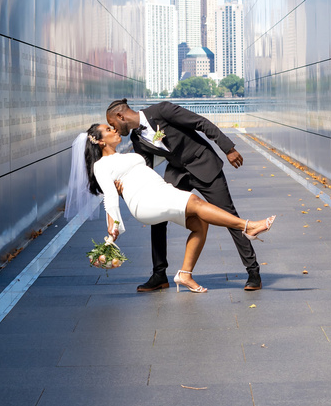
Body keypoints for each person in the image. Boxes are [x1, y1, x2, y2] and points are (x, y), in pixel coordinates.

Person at [69, 124, 275, 294]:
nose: (114, 130)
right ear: (100, 140)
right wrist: (113, 228)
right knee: (195, 201)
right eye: (108, 129)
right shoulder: (101, 165)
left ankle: (185, 274)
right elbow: (111, 196)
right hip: (144, 200)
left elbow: (155, 160)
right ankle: (247, 226)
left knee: (200, 223)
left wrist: (158, 139)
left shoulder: (126, 154)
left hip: (159, 191)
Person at [105, 98, 263, 293]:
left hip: (203, 163)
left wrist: (228, 149)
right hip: (178, 172)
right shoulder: (137, 139)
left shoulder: (161, 110)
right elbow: (142, 169)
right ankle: (159, 275)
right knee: (158, 217)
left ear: (121, 116)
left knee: (228, 215)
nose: (115, 129)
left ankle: (253, 272)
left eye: (113, 124)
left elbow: (200, 123)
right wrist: (124, 187)